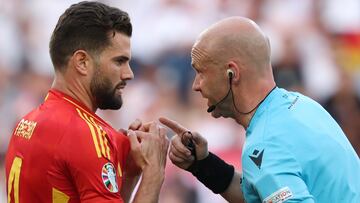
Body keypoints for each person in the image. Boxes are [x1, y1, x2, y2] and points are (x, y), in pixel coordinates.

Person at [160, 17, 360, 203]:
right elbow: (260, 193)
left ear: (232, 73)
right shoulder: (303, 105)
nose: (196, 85)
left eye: (201, 72)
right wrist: (202, 164)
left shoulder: (265, 144)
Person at [5, 1, 169, 203]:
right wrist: (154, 173)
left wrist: (129, 175)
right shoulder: (85, 133)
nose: (129, 74)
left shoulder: (26, 122)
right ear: (82, 62)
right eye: (119, 61)